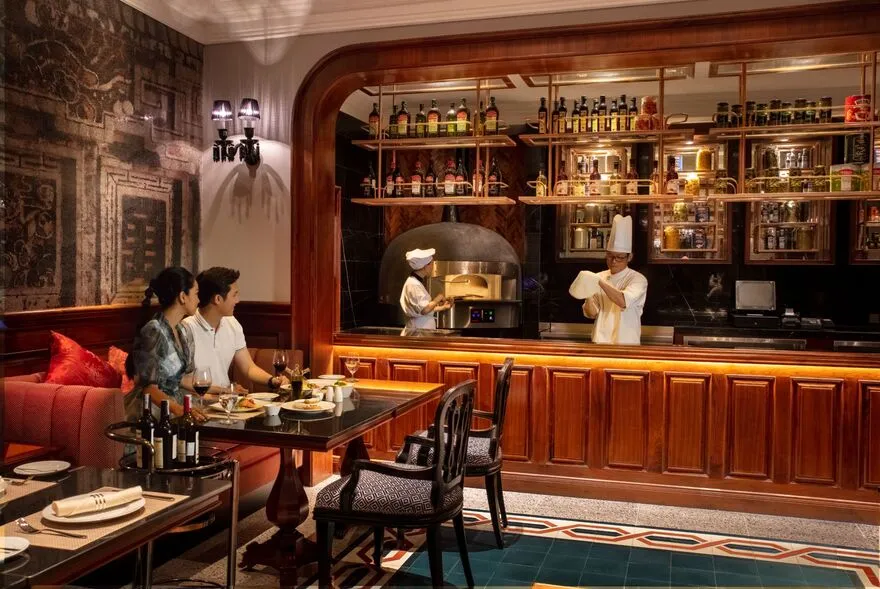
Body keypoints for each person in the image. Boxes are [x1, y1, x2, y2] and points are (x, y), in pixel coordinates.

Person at [182, 267, 288, 392]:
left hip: (226, 399)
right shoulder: (186, 330)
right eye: (234, 295)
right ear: (218, 299)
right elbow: (182, 382)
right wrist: (225, 392)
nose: (237, 300)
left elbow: (248, 368)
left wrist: (272, 380)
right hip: (199, 401)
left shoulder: (232, 323)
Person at [124, 267, 207, 421]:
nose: (199, 300)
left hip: (175, 407)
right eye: (196, 294)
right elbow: (149, 389)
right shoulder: (153, 331)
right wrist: (180, 410)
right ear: (183, 297)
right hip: (151, 413)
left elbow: (181, 380)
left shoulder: (182, 330)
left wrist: (221, 393)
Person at [579, 214, 648, 345]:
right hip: (599, 342)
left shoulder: (638, 279)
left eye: (619, 257)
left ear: (629, 257)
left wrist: (598, 281)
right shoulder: (599, 276)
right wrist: (588, 294)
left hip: (626, 344)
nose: (614, 261)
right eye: (610, 256)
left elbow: (622, 301)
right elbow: (591, 314)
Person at [399, 248, 452, 335]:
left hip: (422, 328)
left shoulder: (416, 282)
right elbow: (424, 310)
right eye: (432, 264)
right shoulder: (413, 284)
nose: (433, 267)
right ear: (425, 266)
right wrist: (439, 297)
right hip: (419, 330)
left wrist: (443, 307)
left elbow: (423, 309)